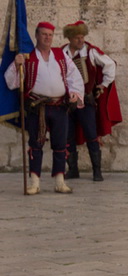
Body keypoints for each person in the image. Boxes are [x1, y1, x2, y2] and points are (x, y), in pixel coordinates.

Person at [4, 22, 84, 195]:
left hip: (59, 107)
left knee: (60, 144)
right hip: (37, 107)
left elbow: (73, 76)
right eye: (44, 34)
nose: (47, 38)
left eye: (50, 34)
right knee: (36, 144)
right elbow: (11, 82)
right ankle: (34, 183)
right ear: (37, 36)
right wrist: (16, 65)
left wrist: (75, 94)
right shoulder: (28, 56)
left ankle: (59, 182)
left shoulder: (60, 55)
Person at [61, 20, 122, 182]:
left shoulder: (91, 52)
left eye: (82, 37)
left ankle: (97, 171)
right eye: (77, 38)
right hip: (67, 103)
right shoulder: (61, 53)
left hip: (86, 102)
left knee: (91, 134)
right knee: (68, 136)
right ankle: (73, 169)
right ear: (69, 38)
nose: (81, 40)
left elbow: (110, 65)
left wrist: (103, 85)